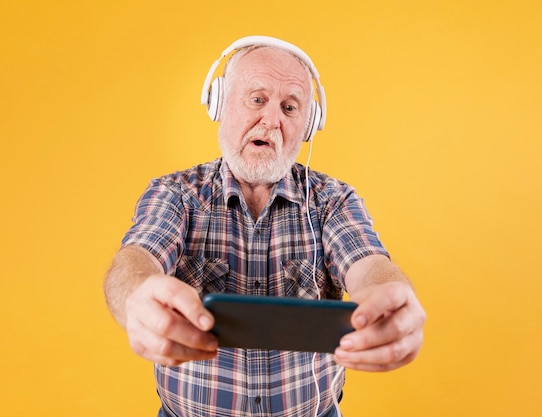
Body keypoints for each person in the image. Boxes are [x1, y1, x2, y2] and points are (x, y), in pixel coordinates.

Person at [104, 36, 426, 417]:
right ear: (220, 104)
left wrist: (391, 299)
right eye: (257, 99)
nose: (272, 120)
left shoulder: (331, 200)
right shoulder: (175, 193)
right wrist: (136, 297)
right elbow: (136, 259)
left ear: (309, 125)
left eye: (290, 107)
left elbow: (369, 265)